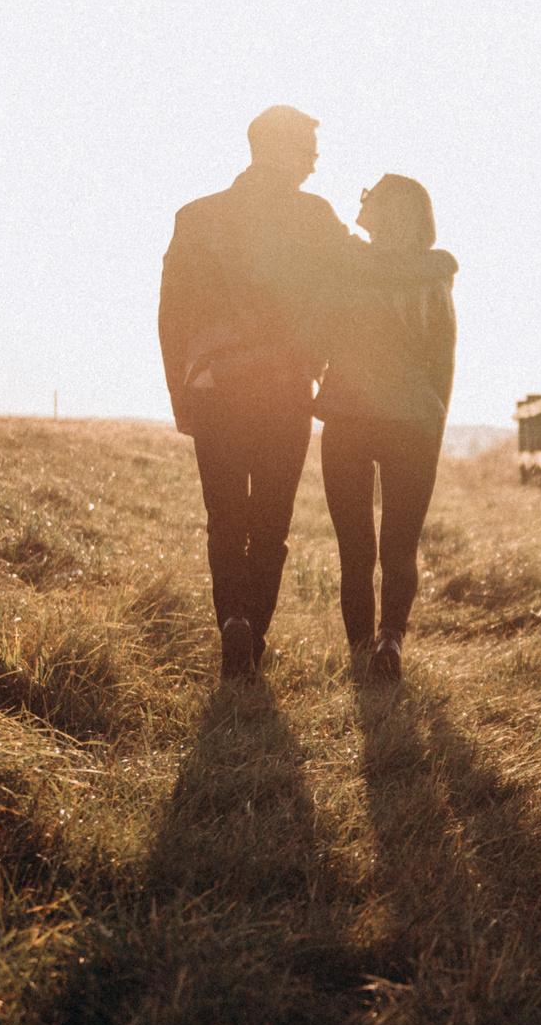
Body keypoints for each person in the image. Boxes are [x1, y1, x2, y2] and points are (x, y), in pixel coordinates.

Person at [158, 105, 352, 680]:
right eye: (310, 152)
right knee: (270, 524)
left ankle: (232, 625)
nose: (316, 167)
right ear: (279, 148)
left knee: (225, 519)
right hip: (286, 389)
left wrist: (183, 395)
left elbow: (172, 316)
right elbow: (349, 294)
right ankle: (251, 631)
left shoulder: (196, 217)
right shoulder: (316, 218)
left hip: (214, 389)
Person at [316, 173, 457, 682]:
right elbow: (442, 361)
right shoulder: (435, 276)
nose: (361, 200)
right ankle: (390, 640)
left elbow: (321, 330)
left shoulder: (346, 264)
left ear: (387, 210)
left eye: (368, 195)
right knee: (400, 548)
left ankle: (360, 654)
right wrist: (435, 422)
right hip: (415, 421)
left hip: (348, 415)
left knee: (355, 549)